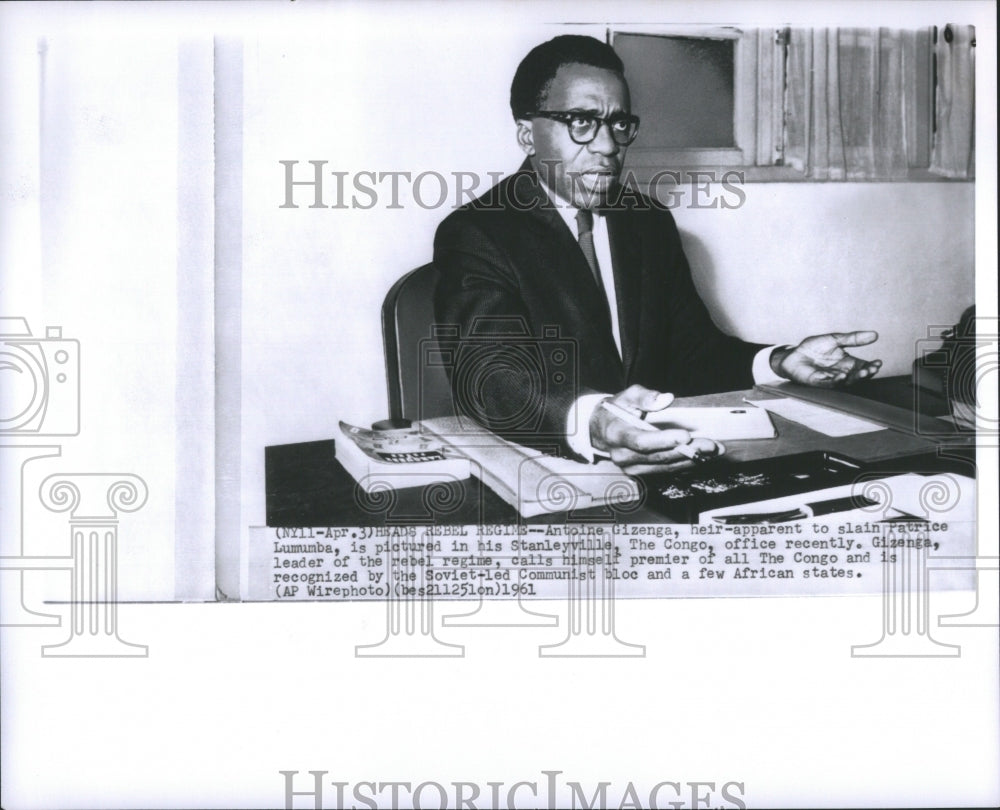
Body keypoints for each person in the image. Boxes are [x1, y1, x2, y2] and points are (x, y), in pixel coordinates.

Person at [433, 35, 882, 474]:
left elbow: (692, 354)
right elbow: (492, 376)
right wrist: (595, 422)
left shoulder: (646, 221)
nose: (608, 147)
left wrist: (779, 361)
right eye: (581, 122)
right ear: (527, 135)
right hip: (556, 465)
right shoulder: (477, 233)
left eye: (618, 124)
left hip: (658, 460)